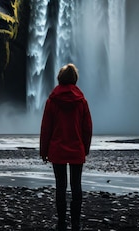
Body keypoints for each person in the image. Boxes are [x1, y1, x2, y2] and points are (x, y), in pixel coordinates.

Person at [40, 63, 93, 231]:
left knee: (60, 187)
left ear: (59, 78)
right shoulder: (81, 101)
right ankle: (76, 223)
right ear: (75, 79)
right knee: (76, 186)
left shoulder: (52, 100)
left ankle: (62, 222)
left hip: (57, 149)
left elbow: (46, 127)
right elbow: (87, 128)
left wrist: (44, 150)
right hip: (76, 148)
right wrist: (85, 148)